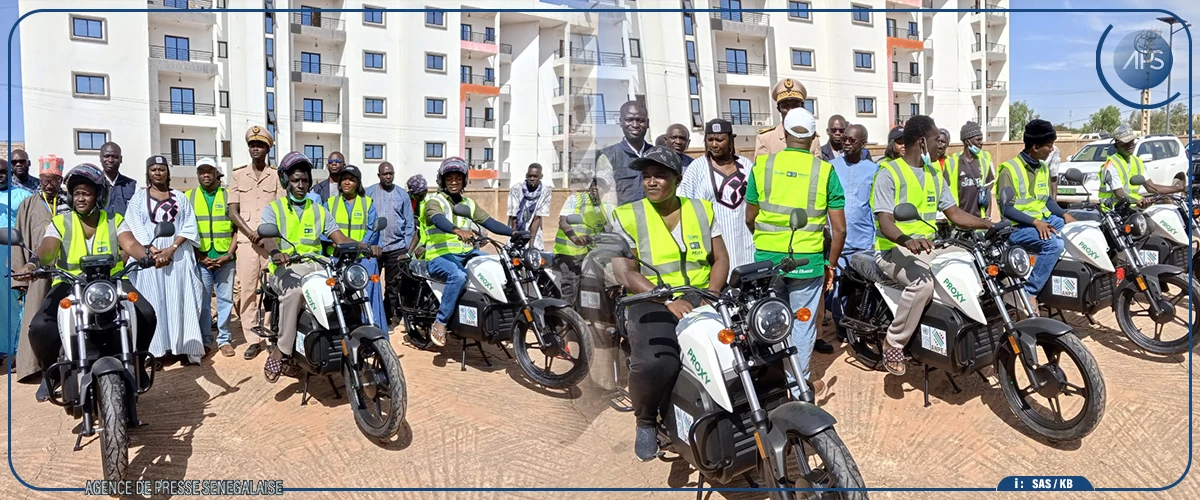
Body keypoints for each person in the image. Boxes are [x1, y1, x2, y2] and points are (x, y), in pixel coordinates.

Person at [610, 146, 727, 461]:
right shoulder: (627, 215)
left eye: (659, 175)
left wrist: (711, 295)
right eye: (646, 176)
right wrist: (668, 299)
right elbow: (625, 271)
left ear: (677, 178)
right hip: (649, 298)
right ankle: (646, 420)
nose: (651, 182)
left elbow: (720, 259)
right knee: (657, 362)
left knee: (739, 349)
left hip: (702, 296)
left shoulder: (703, 209)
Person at [15, 164, 159, 398]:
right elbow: (48, 248)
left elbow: (130, 243)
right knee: (40, 327)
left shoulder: (114, 219)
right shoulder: (61, 222)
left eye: (87, 193)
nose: (80, 198)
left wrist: (147, 256)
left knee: (146, 314)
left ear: (99, 195)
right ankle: (51, 373)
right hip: (69, 283)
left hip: (112, 281)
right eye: (77, 193)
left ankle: (139, 361)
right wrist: (33, 264)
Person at [870, 115, 994, 376]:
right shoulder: (888, 173)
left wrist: (987, 225)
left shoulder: (935, 175)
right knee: (922, 283)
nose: (943, 144)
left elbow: (955, 214)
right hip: (893, 249)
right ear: (923, 142)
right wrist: (907, 240)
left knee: (971, 261)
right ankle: (894, 342)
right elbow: (885, 222)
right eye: (938, 139)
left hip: (929, 247)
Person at [745, 107, 845, 398]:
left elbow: (750, 217)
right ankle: (800, 387)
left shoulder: (761, 167)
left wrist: (765, 243)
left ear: (785, 133)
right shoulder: (825, 171)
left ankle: (772, 385)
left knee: (769, 321)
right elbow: (838, 230)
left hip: (767, 262)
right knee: (802, 324)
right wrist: (831, 264)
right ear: (814, 137)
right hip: (808, 263)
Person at [258, 152, 360, 382]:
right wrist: (275, 253)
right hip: (286, 268)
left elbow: (339, 237)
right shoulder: (274, 209)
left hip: (317, 266)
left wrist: (365, 246)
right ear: (286, 181)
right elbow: (268, 236)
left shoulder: (319, 210)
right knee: (294, 292)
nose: (300, 185)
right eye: (295, 180)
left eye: (304, 180)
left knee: (344, 288)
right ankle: (282, 350)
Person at [422, 157, 516, 346]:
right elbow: (438, 219)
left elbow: (489, 222)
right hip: (438, 255)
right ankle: (440, 322)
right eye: (449, 178)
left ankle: (496, 319)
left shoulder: (468, 204)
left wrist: (514, 232)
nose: (454, 182)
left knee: (494, 267)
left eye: (458, 178)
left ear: (464, 180)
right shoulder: (434, 201)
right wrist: (457, 230)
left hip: (466, 253)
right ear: (442, 180)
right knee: (457, 276)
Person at [127, 155, 206, 365]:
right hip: (149, 259)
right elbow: (134, 226)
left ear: (167, 173)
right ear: (148, 173)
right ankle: (154, 352)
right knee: (154, 302)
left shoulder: (180, 197)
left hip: (178, 257)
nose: (158, 173)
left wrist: (171, 249)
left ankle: (185, 348)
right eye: (153, 169)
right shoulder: (138, 199)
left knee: (182, 300)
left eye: (162, 169)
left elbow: (189, 225)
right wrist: (153, 250)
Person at [998, 119, 1076, 313]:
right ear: (1035, 146)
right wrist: (1036, 222)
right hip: (1017, 228)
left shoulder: (1042, 168)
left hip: (1042, 222)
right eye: (1049, 145)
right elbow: (1006, 209)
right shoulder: (1009, 170)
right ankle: (1030, 292)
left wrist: (1065, 214)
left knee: (1077, 231)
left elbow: (1047, 200)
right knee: (1054, 244)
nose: (1052, 149)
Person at [10, 155, 69, 381]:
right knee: (38, 320)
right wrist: (20, 279)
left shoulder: (70, 201)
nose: (48, 183)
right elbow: (19, 241)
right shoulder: (28, 204)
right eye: (45, 179)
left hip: (66, 271)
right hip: (38, 272)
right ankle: (41, 370)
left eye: (54, 179)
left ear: (60, 179)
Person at [228, 125, 280, 360]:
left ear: (268, 148)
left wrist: (265, 235)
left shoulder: (277, 175)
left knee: (272, 291)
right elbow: (232, 211)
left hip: (270, 242)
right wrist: (250, 233)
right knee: (247, 291)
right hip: (247, 242)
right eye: (252, 145)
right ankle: (252, 339)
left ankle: (269, 334)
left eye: (260, 145)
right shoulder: (238, 174)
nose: (255, 148)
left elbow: (280, 209)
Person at [678, 118, 755, 271]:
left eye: (720, 140)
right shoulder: (696, 168)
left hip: (745, 241)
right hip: (713, 241)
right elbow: (684, 205)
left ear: (731, 140)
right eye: (710, 139)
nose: (714, 144)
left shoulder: (747, 165)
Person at [827, 124, 878, 344]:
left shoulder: (874, 170)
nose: (846, 143)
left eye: (852, 140)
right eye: (844, 139)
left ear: (863, 143)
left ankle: (862, 326)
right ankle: (841, 325)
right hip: (838, 241)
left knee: (863, 288)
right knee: (838, 286)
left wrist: (876, 240)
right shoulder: (830, 167)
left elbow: (876, 208)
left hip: (864, 240)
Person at [188, 157, 238, 357]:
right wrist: (199, 256)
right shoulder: (189, 197)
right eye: (202, 172)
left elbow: (237, 229)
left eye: (209, 171)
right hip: (201, 260)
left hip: (225, 259)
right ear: (198, 175)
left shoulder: (228, 196)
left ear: (217, 174)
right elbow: (185, 232)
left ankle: (224, 340)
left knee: (226, 300)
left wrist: (229, 254)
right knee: (203, 302)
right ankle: (205, 339)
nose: (206, 175)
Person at [328, 164, 386, 329]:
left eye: (351, 180)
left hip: (362, 258)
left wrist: (362, 247)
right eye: (344, 179)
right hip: (337, 259)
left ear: (358, 183)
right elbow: (324, 228)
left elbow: (372, 229)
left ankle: (377, 335)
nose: (347, 182)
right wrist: (335, 242)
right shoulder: (330, 203)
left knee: (371, 295)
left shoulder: (367, 203)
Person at [554, 169, 615, 307]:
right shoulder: (576, 199)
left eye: (601, 185)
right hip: (569, 254)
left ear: (606, 190)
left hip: (590, 255)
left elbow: (612, 229)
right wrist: (575, 239)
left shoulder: (606, 208)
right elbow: (563, 222)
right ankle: (566, 320)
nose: (596, 188)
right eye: (594, 184)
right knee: (571, 287)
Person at [366, 162, 415, 329]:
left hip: (397, 249)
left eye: (391, 173)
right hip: (375, 248)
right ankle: (372, 319)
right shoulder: (369, 193)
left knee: (393, 287)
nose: (388, 176)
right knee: (372, 284)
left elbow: (409, 223)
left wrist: (406, 247)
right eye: (384, 174)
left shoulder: (402, 194)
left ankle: (387, 320)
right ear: (378, 175)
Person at [0, 157, 33, 369]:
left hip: (10, 257)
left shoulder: (23, 196)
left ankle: (17, 351)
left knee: (14, 305)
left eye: (2, 171)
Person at [1101, 125, 1184, 208]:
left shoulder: (1137, 161)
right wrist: (1137, 201)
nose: (1130, 145)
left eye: (1131, 141)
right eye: (1125, 143)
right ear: (1116, 146)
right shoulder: (1112, 164)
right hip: (1114, 210)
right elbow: (1119, 194)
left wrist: (1181, 188)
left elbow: (1151, 187)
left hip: (1132, 206)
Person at [596, 101, 653, 205]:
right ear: (621, 122)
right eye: (629, 120)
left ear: (647, 123)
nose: (635, 125)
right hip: (624, 219)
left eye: (640, 120)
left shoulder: (656, 154)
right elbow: (603, 197)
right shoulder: (608, 156)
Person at [944, 121, 995, 218]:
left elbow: (987, 192)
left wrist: (987, 218)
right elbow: (945, 194)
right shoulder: (952, 163)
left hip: (979, 221)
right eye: (978, 140)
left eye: (982, 139)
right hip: (959, 222)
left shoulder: (984, 161)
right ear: (968, 141)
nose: (981, 143)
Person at [755, 78, 810, 159]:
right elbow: (761, 169)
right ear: (778, 109)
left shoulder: (813, 138)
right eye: (785, 106)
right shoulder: (765, 139)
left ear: (802, 107)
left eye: (795, 105)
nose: (791, 110)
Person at [507, 163, 553, 252]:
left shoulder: (546, 191)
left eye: (535, 176)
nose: (532, 178)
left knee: (534, 255)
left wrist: (531, 244)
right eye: (530, 176)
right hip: (515, 229)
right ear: (526, 175)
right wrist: (514, 239)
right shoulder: (516, 188)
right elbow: (514, 215)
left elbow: (538, 217)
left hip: (534, 231)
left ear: (541, 176)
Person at [99, 142, 138, 216]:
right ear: (100, 158)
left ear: (121, 159)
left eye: (115, 157)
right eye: (106, 156)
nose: (110, 160)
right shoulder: (93, 184)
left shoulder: (133, 186)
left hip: (125, 227)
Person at [406, 174, 429, 257]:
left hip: (422, 244)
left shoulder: (428, 203)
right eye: (419, 195)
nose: (422, 197)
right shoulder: (404, 201)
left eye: (424, 193)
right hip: (405, 241)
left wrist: (425, 245)